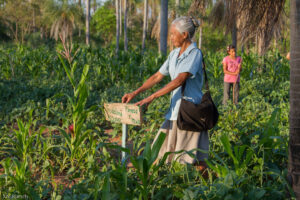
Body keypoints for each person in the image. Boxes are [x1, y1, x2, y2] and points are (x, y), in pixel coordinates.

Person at [122, 16, 209, 170]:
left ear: (185, 35)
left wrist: (152, 97)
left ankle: (210, 189)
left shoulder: (195, 54)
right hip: (174, 113)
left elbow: (179, 80)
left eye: (173, 34)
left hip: (189, 113)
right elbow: (157, 76)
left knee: (191, 160)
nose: (170, 37)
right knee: (160, 152)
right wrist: (135, 93)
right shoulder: (174, 54)